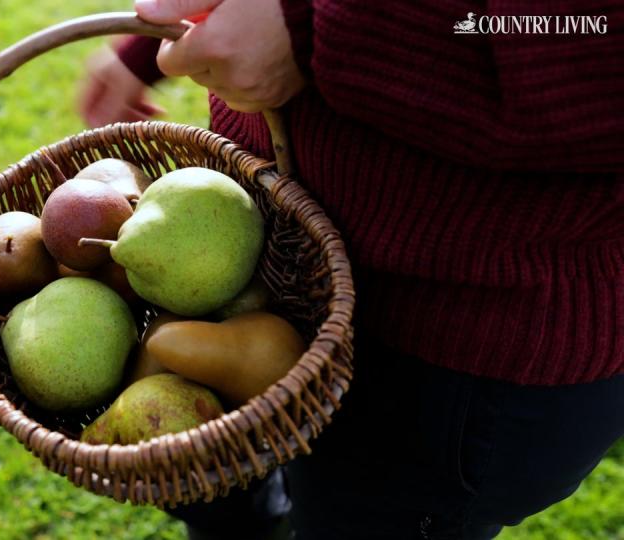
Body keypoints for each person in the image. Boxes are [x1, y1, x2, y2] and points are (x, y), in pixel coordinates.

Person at [79, 1, 624, 539]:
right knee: (220, 485)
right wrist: (164, 31)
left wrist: (311, 28)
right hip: (250, 255)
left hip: (450, 348)